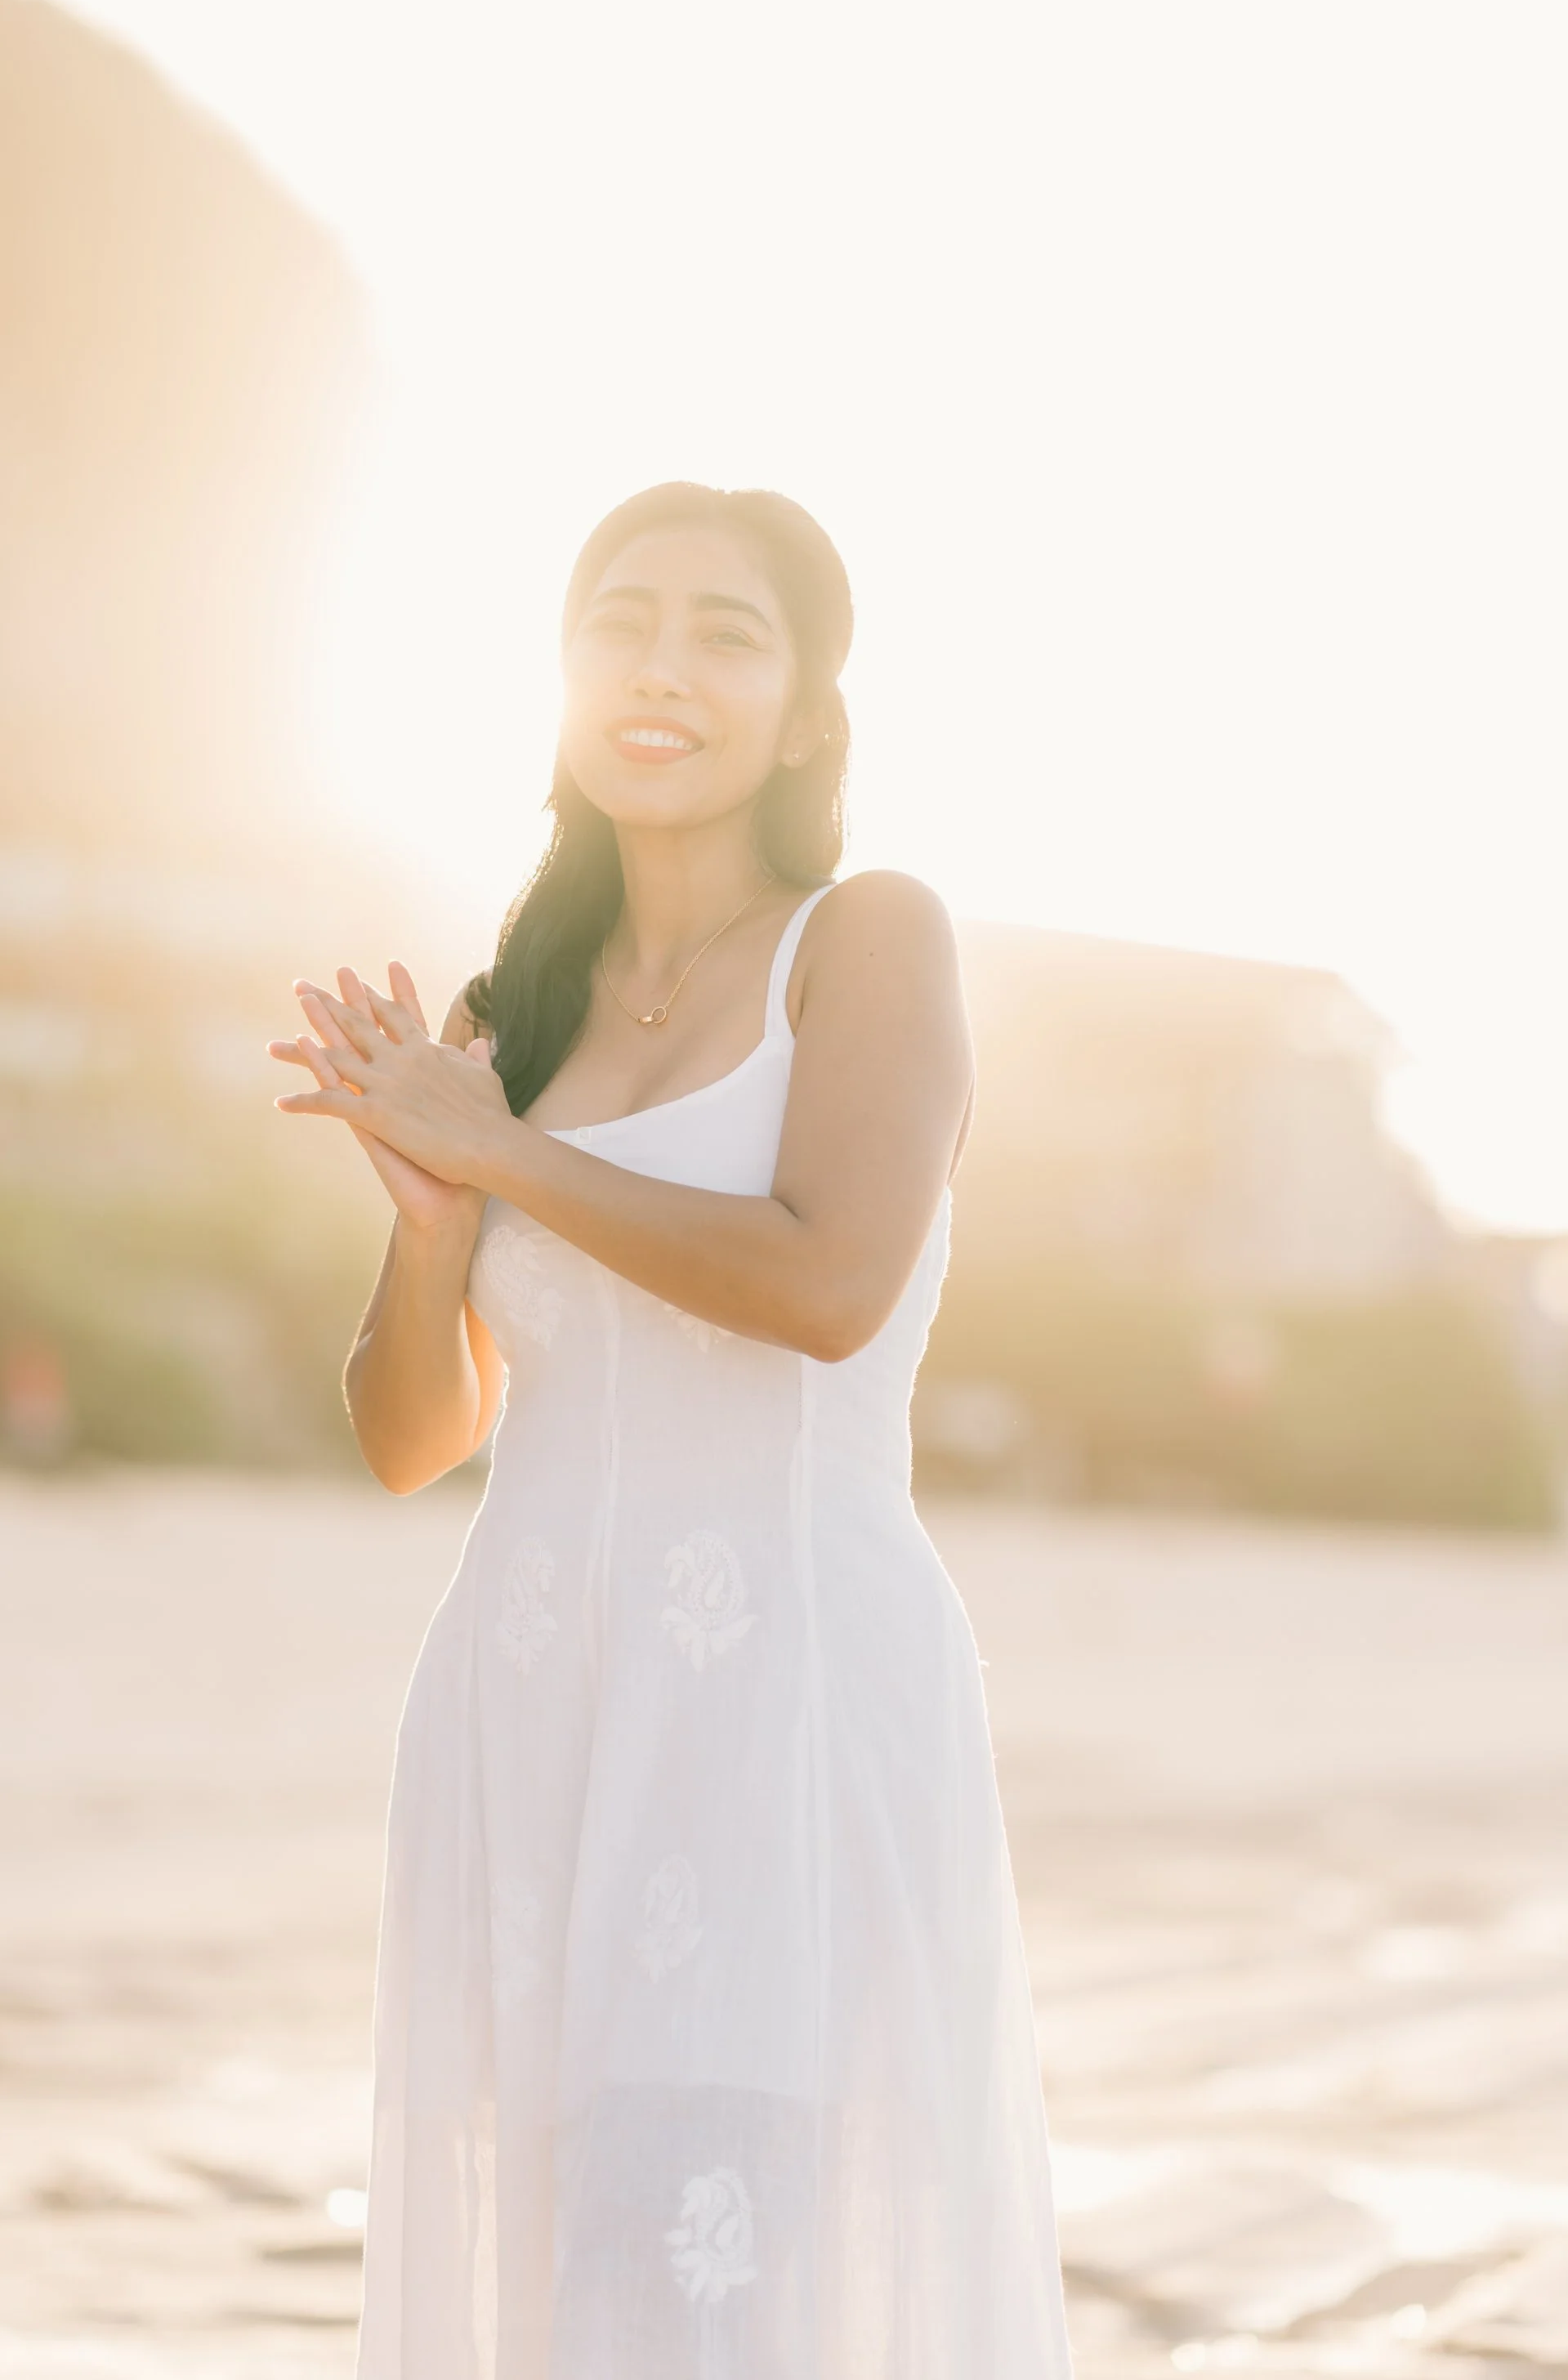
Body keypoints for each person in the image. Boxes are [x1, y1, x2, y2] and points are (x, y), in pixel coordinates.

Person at [271, 482, 1070, 2378]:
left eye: (727, 631)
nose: (662, 666)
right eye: (620, 621)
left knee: (700, 2266)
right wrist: (437, 1225)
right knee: (565, 2288)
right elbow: (410, 1437)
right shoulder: (509, 1017)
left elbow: (825, 1285)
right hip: (531, 1697)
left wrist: (511, 1156)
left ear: (803, 714)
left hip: (773, 1691)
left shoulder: (863, 942)